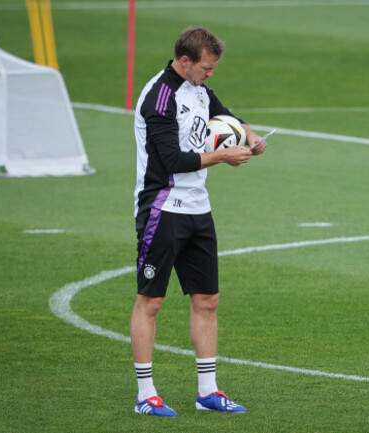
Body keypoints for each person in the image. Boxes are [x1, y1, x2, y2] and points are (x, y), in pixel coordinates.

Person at [130, 26, 266, 417]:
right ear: (185, 61)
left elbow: (223, 114)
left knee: (207, 299)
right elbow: (173, 161)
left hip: (197, 209)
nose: (210, 74)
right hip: (162, 208)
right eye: (206, 68)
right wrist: (225, 157)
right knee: (151, 301)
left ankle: (208, 391)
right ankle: (145, 395)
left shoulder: (200, 90)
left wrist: (249, 134)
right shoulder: (159, 97)